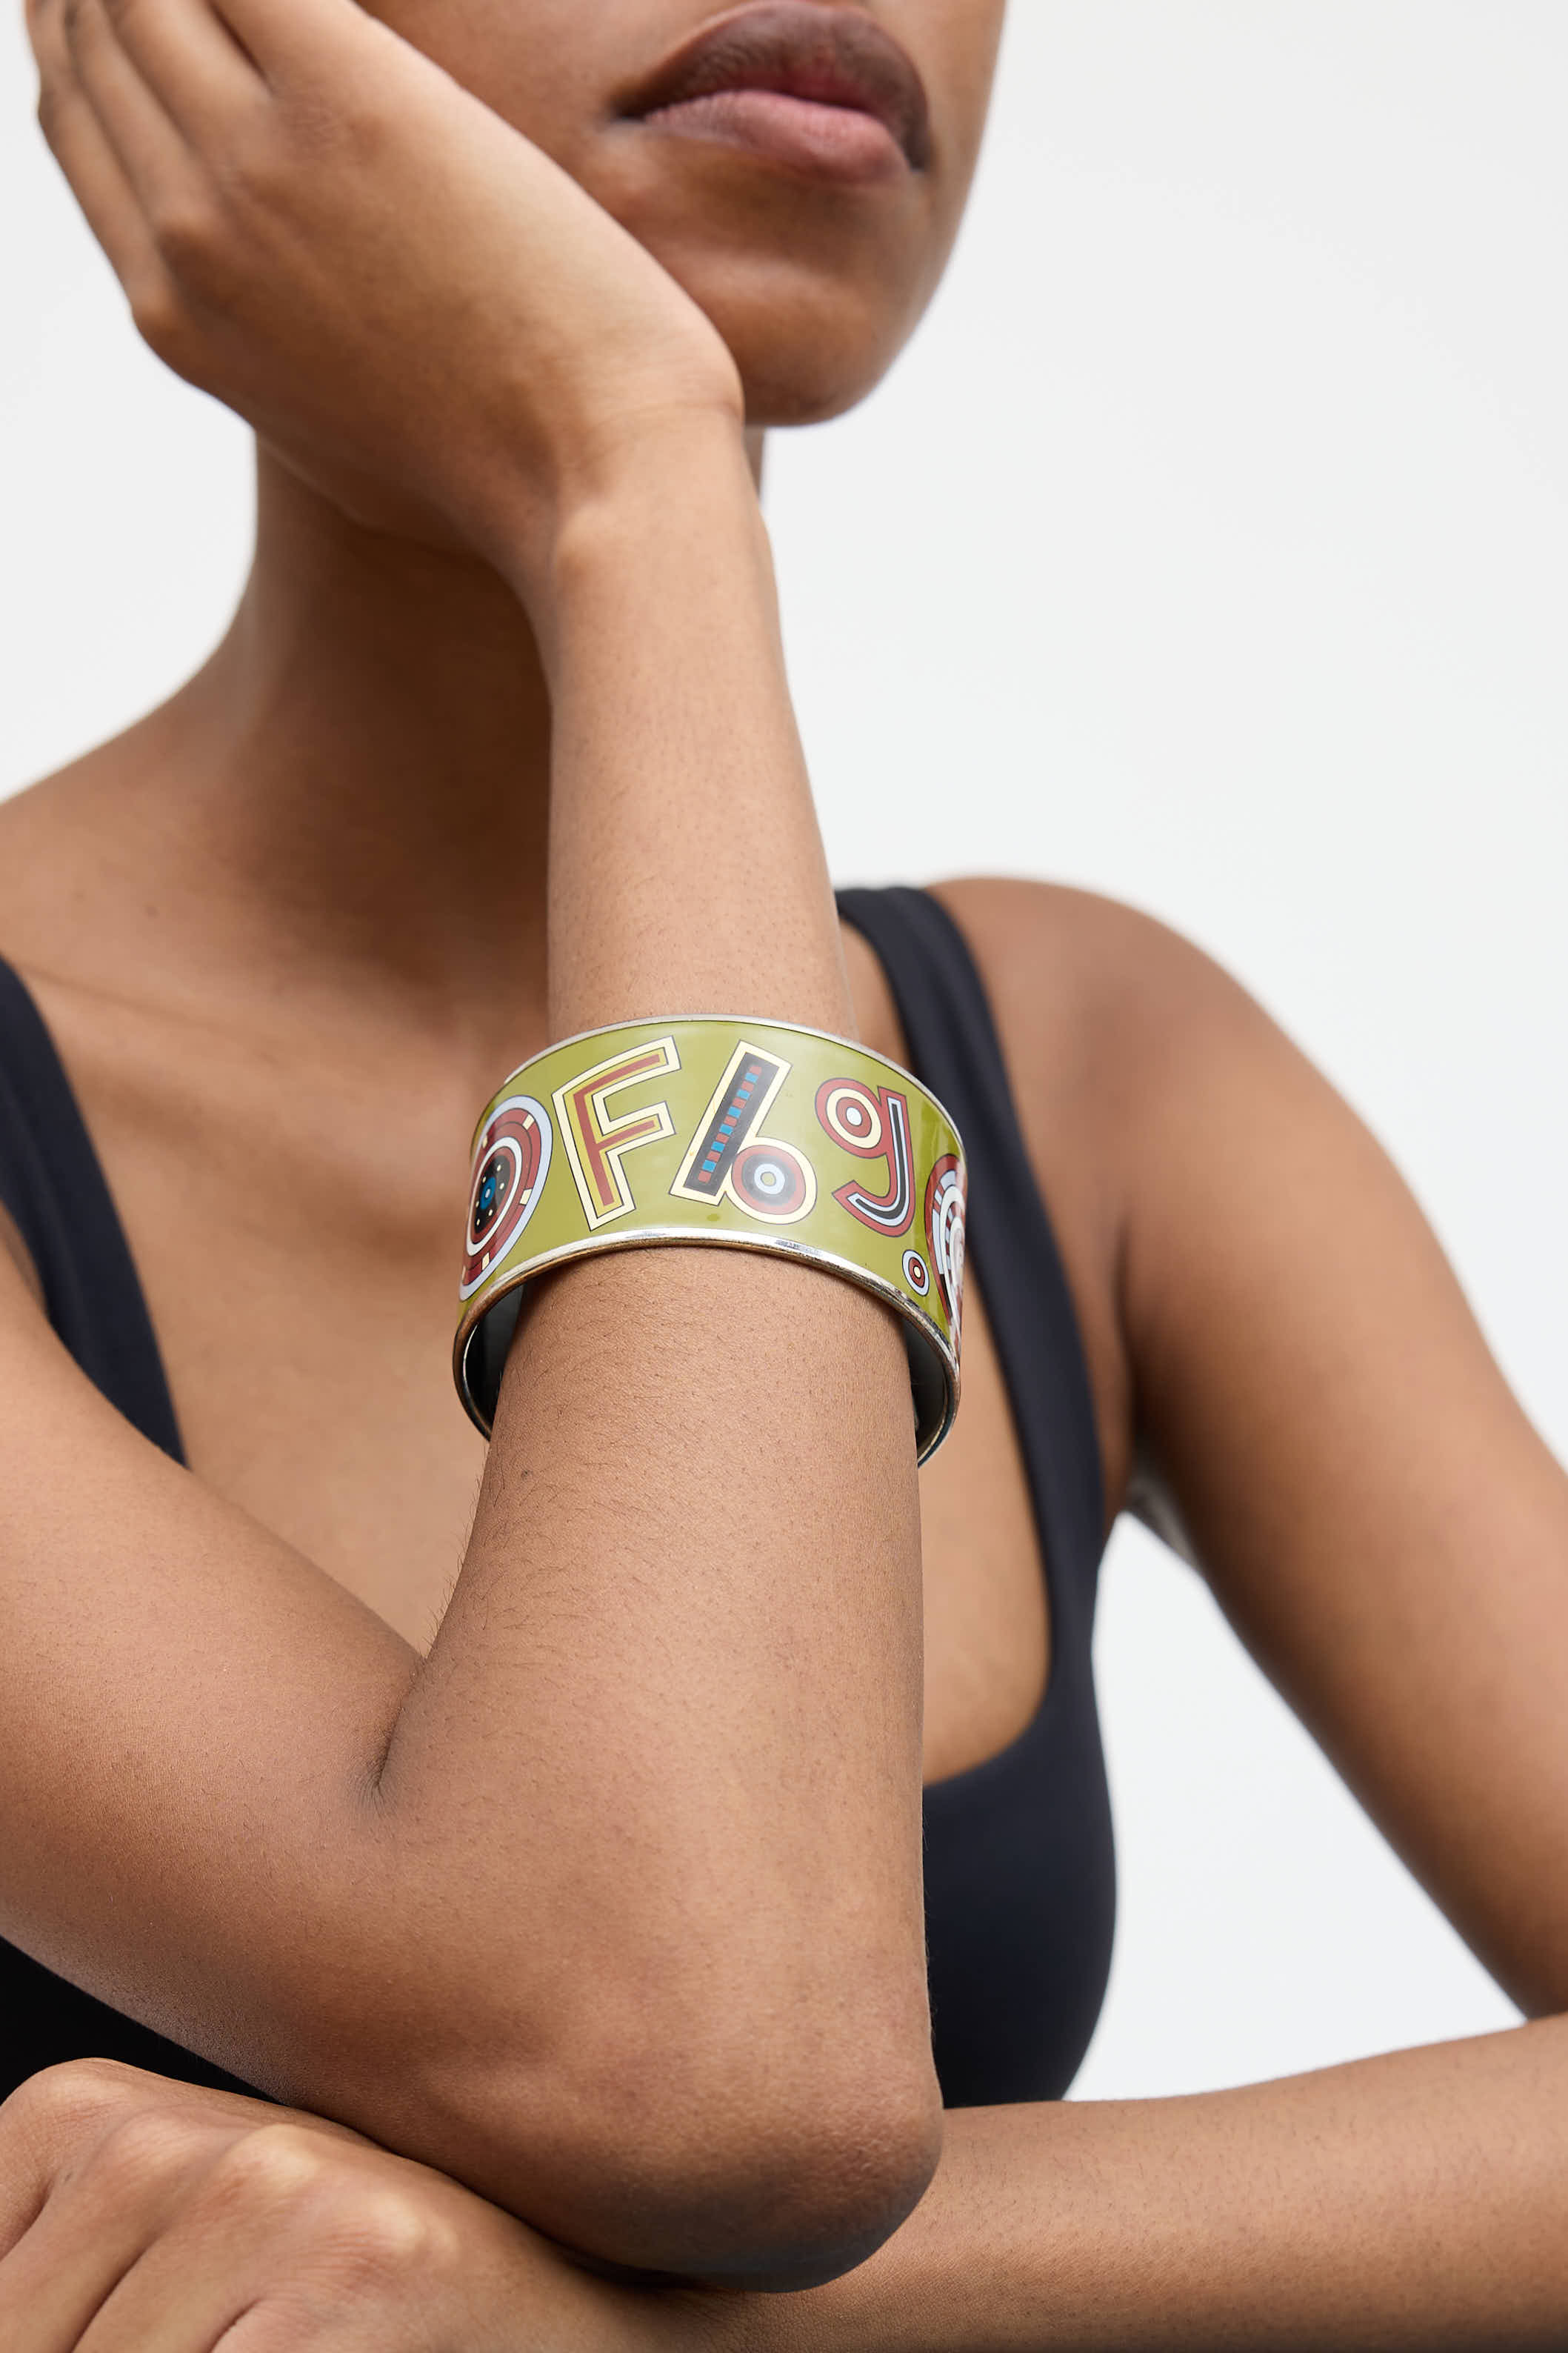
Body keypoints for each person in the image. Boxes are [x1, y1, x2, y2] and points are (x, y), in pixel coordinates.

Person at [1, 0, 1566, 2342]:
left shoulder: (1100, 1073)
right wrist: (627, 477)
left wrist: (615, 2321)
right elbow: (690, 2058)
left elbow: (722, 2152)